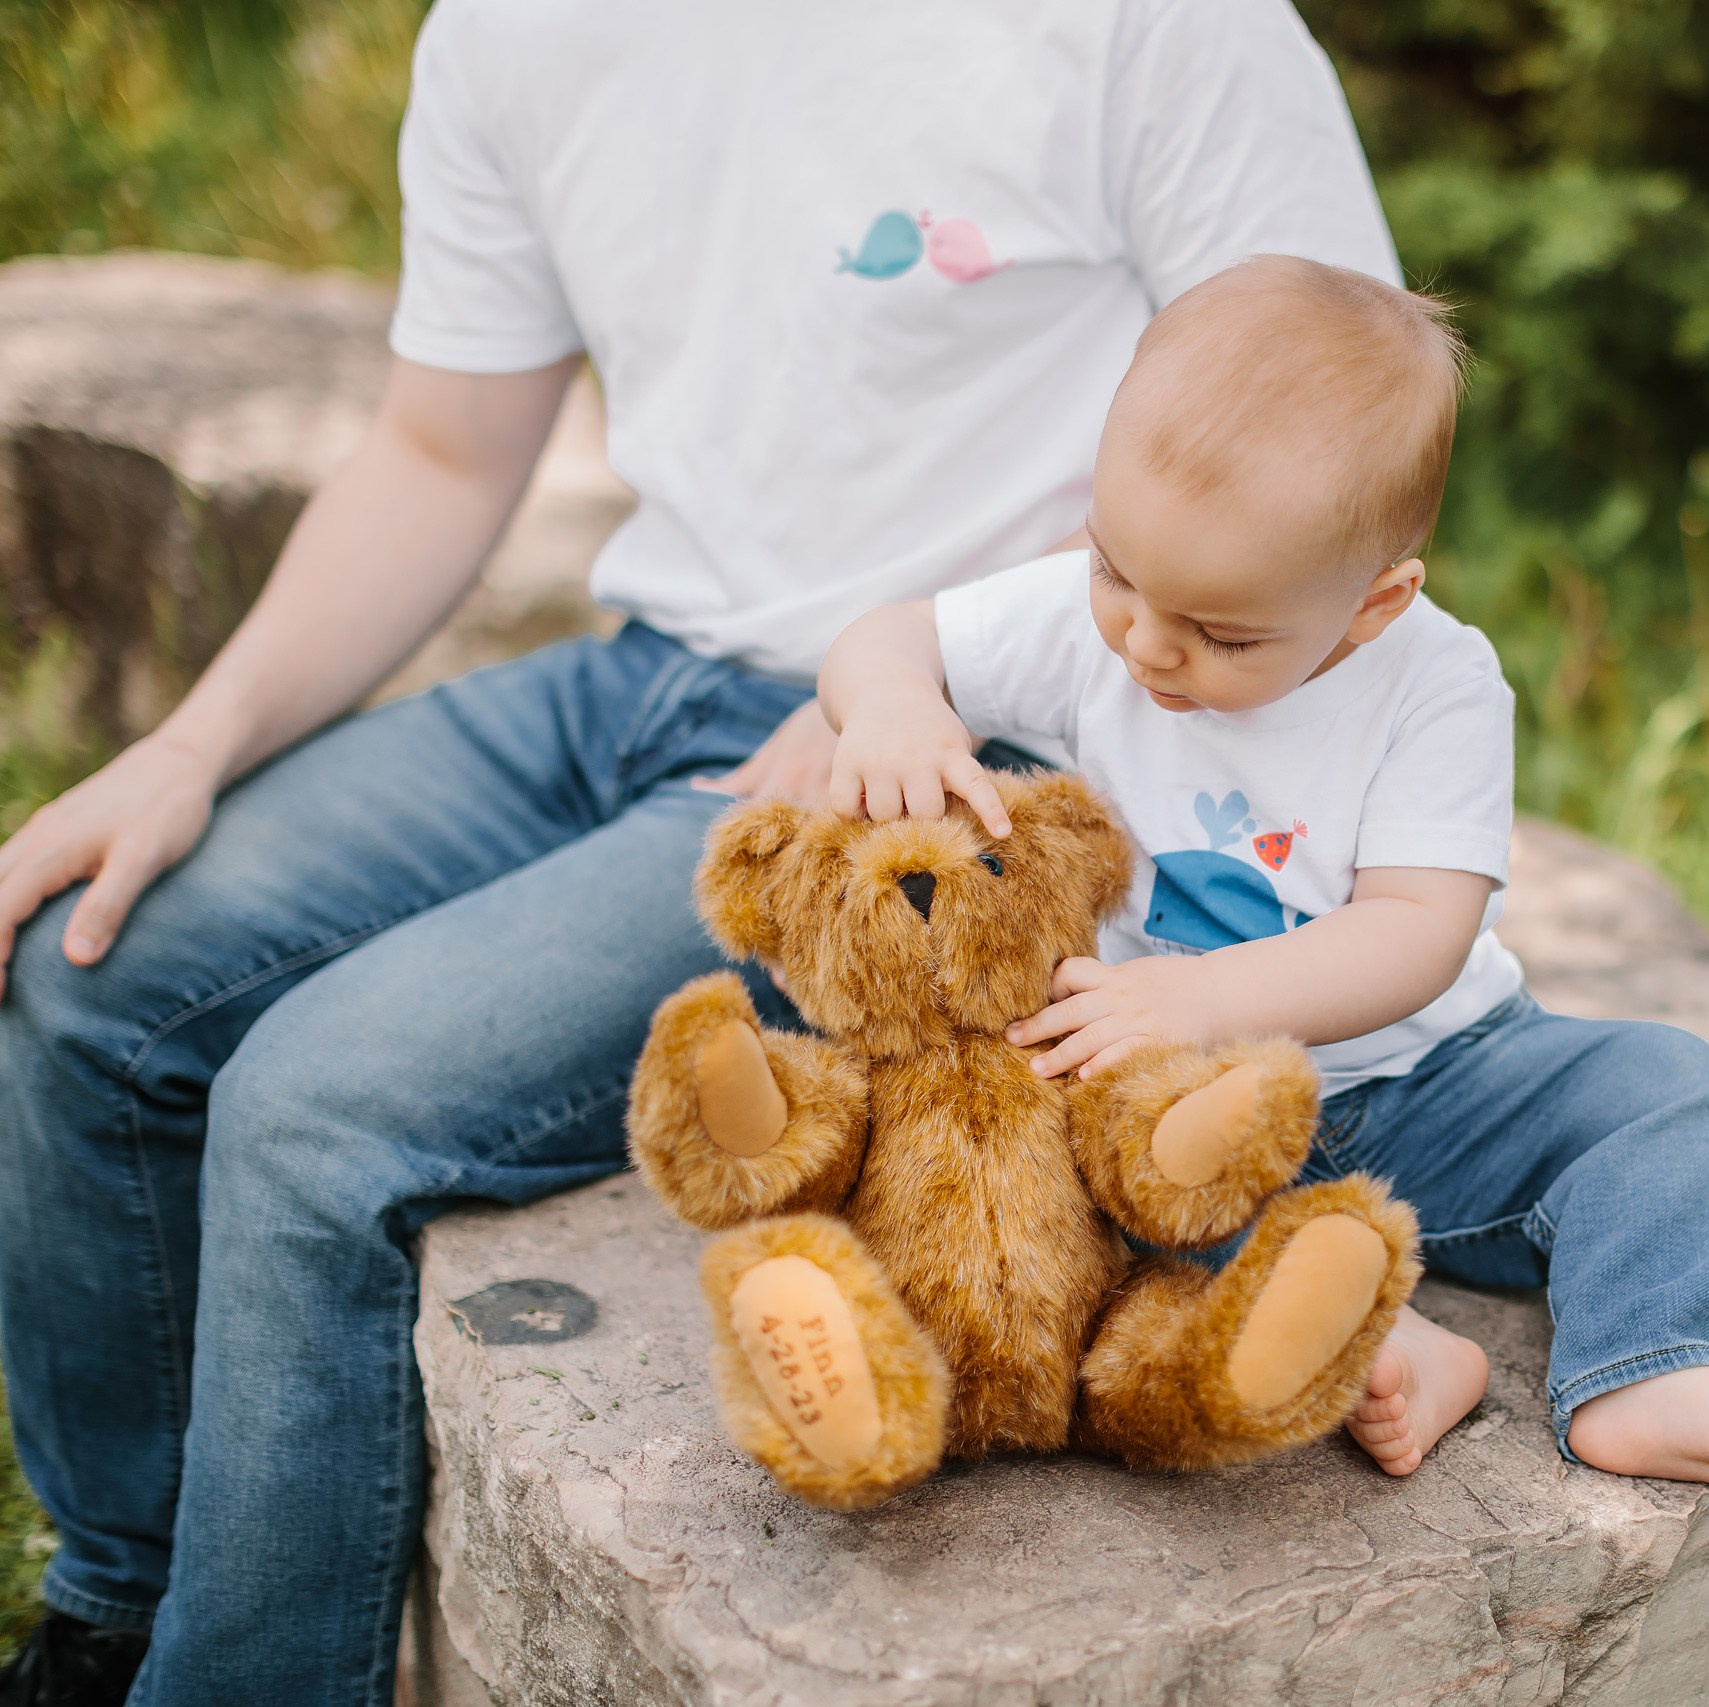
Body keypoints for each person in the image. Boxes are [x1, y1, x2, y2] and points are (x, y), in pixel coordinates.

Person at [0, 0, 1402, 1700]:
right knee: (95, 967)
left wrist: (914, 660)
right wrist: (186, 745)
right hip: (634, 677)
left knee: (312, 1106)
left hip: (954, 750)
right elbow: (443, 451)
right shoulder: (509, 34)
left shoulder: (1150, 26)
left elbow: (1339, 448)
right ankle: (119, 1600)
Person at [817, 255, 1709, 1491]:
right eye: (1114, 572)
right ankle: (1392, 1339)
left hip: (1431, 1076)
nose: (1147, 641)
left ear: (1374, 606)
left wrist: (1204, 998)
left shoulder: (1437, 683)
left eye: (1224, 634)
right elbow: (891, 635)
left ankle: (1653, 1364)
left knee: (1670, 1088)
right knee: (1043, 1167)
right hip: (1165, 1111)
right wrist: (891, 707)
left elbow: (1415, 932)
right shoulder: (1115, 609)